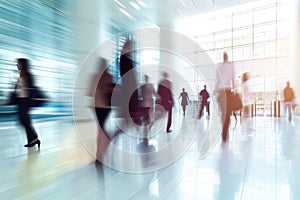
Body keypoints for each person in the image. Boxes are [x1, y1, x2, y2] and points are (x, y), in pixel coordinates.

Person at [7, 58, 40, 148]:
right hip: (21, 101)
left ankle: (33, 139)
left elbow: (31, 88)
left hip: (26, 101)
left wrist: (31, 99)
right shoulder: (21, 75)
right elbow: (17, 90)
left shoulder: (28, 75)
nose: (17, 65)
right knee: (24, 121)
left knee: (24, 121)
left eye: (18, 63)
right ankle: (33, 139)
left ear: (23, 64)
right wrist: (12, 98)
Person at [89, 58, 114, 160]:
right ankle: (101, 152)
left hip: (96, 105)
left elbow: (90, 93)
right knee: (101, 129)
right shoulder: (109, 76)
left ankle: (99, 154)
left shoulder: (94, 76)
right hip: (106, 106)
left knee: (100, 129)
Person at [215, 52, 235, 144]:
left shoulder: (219, 66)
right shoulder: (231, 66)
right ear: (227, 57)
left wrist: (215, 89)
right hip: (228, 91)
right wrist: (234, 89)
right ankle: (225, 129)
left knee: (223, 112)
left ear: (223, 58)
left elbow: (218, 79)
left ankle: (224, 128)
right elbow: (233, 79)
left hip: (221, 91)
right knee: (227, 112)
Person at [119, 39, 140, 125]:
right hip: (129, 87)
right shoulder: (125, 59)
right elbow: (129, 76)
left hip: (128, 87)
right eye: (131, 47)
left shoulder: (124, 58)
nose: (133, 49)